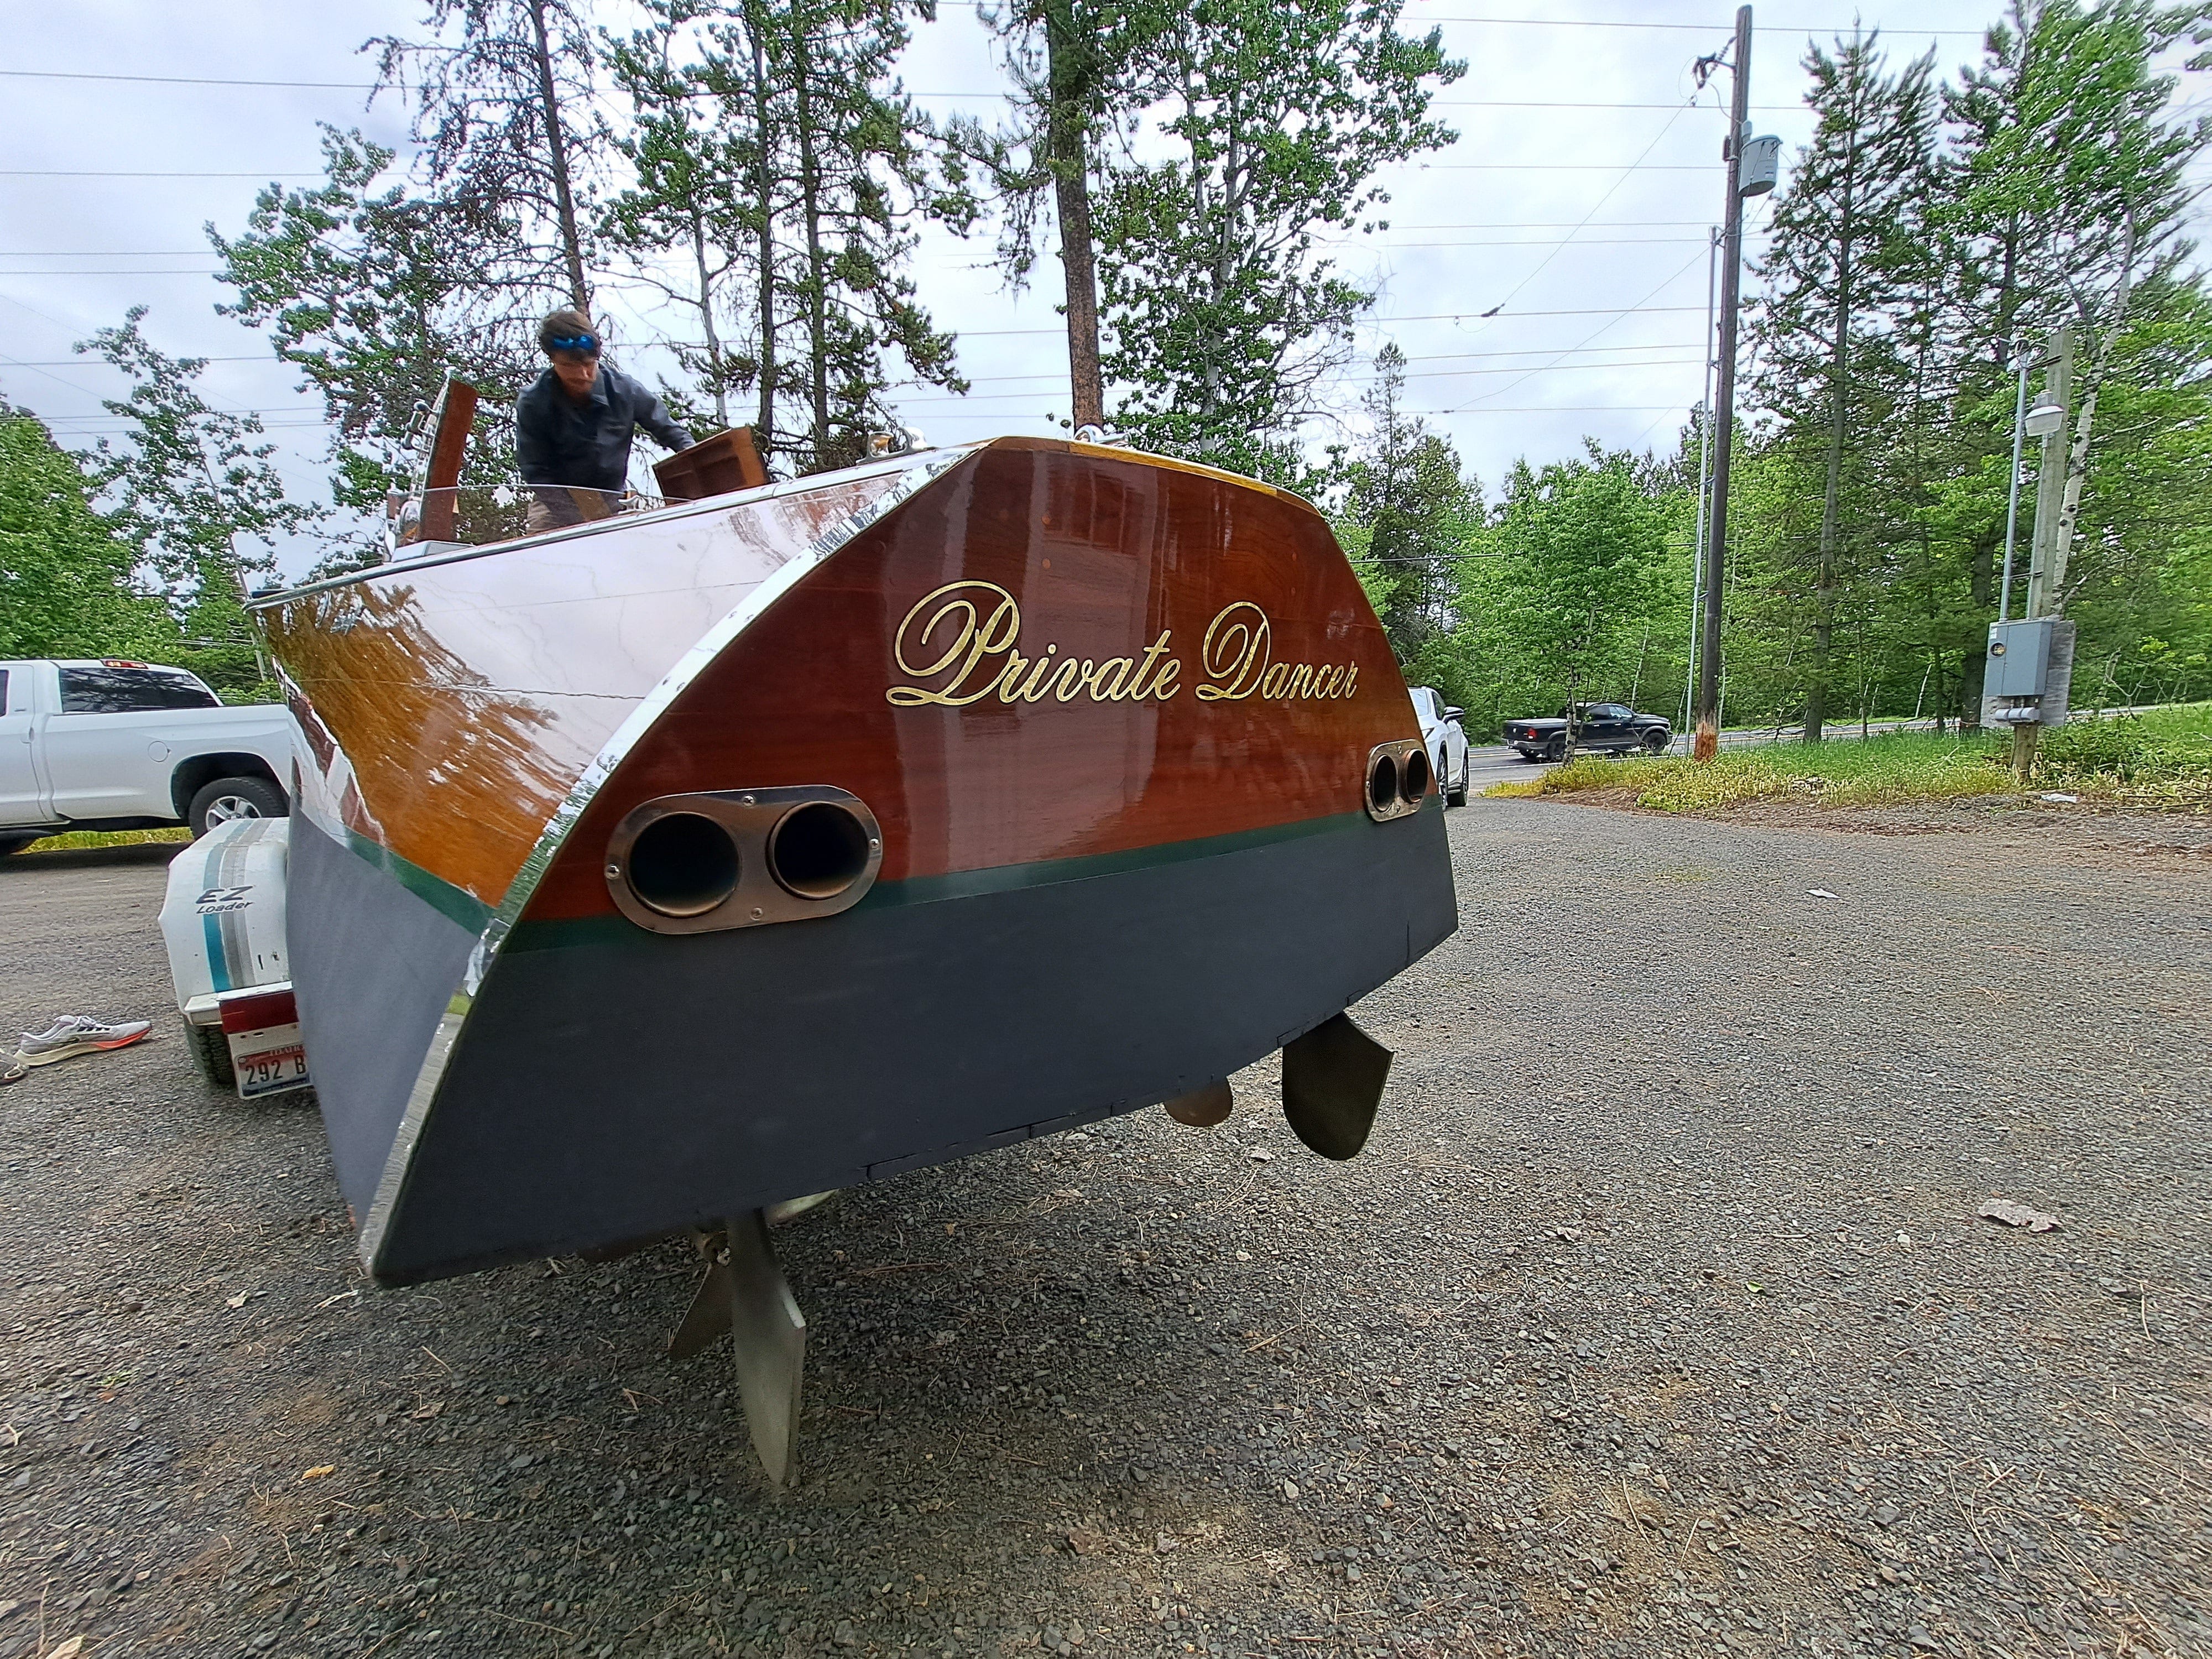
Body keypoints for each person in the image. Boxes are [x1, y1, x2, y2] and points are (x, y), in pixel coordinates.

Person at [515, 307, 694, 532]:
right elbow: (535, 470)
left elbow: (671, 432)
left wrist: (696, 459)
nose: (583, 375)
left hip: (613, 500)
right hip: (555, 505)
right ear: (552, 359)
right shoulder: (533, 402)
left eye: (589, 365)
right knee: (542, 553)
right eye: (571, 366)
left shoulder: (625, 390)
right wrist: (577, 516)